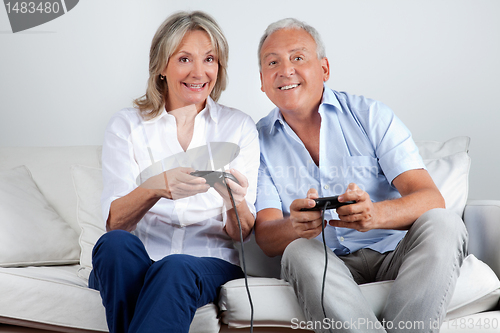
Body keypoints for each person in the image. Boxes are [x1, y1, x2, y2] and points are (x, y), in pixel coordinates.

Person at [254, 18, 468, 333]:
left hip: (395, 252)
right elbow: (267, 236)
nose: (285, 70)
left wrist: (375, 214)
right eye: (273, 62)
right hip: (327, 264)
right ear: (262, 80)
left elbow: (430, 198)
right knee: (297, 249)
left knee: (445, 222)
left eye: (298, 58)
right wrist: (294, 225)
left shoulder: (370, 115)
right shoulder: (256, 142)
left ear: (324, 69)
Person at [88, 11, 259, 333]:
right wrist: (155, 187)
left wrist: (233, 201)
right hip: (136, 259)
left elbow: (242, 233)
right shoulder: (127, 125)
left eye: (209, 59)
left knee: (175, 267)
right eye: (184, 59)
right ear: (161, 66)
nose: (199, 72)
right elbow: (115, 222)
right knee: (112, 245)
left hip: (205, 262)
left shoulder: (239, 127)